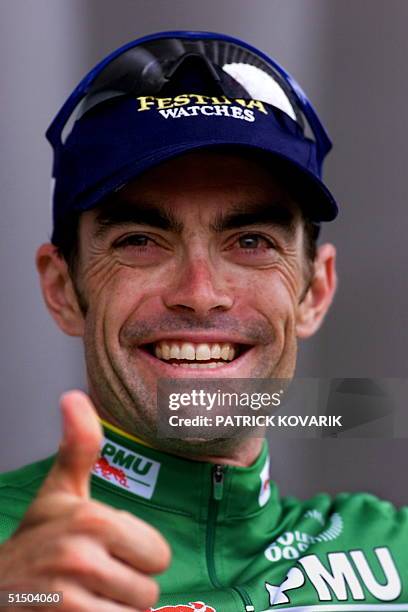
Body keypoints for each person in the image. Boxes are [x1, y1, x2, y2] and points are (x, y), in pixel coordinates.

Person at [0, 30, 406, 612]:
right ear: (63, 289)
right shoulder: (11, 566)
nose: (201, 293)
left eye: (250, 240)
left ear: (314, 291)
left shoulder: (395, 552)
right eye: (140, 240)